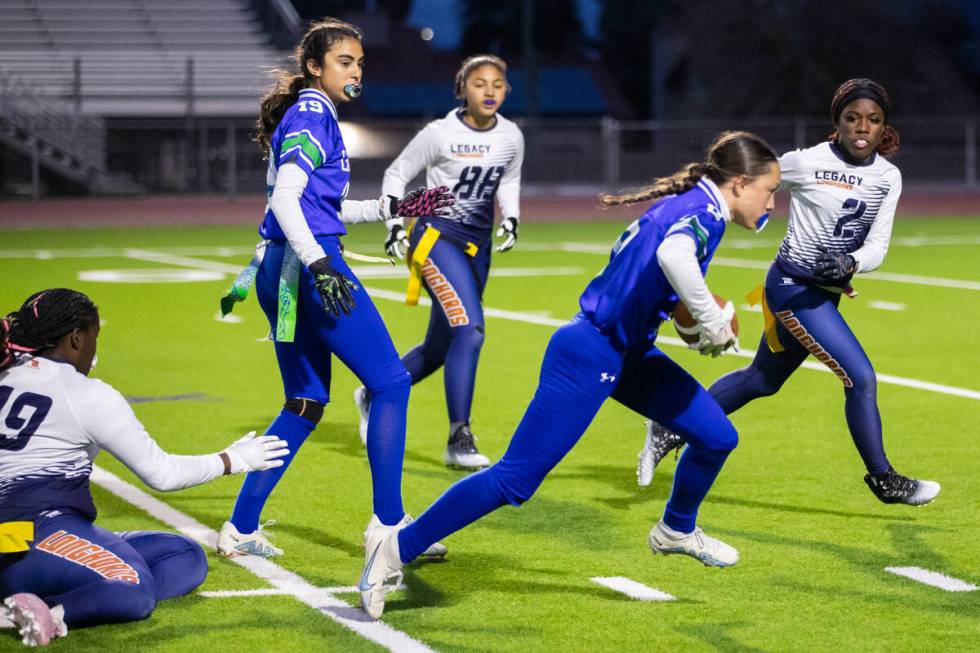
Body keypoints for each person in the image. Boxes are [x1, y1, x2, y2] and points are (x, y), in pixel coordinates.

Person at [358, 131, 782, 620]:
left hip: (628, 352)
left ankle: (675, 529)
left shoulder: (697, 205)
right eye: (768, 190)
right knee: (514, 481)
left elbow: (658, 273)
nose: (772, 202)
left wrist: (693, 318)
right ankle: (394, 549)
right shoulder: (705, 211)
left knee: (716, 436)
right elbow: (672, 257)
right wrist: (709, 317)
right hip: (591, 352)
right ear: (738, 184)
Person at [636, 79, 940, 506]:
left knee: (761, 380)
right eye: (851, 118)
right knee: (860, 377)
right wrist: (694, 201)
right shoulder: (806, 162)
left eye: (872, 120)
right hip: (792, 289)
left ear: (883, 126)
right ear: (836, 122)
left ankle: (670, 425)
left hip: (823, 294)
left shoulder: (888, 176)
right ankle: (883, 478)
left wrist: (851, 263)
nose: (861, 127)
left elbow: (878, 246)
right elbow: (748, 184)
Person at [216, 18, 455, 559]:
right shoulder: (312, 112)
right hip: (304, 268)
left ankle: (241, 527)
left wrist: (394, 207)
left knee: (304, 402)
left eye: (360, 63)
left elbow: (320, 205)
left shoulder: (315, 113)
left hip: (280, 267)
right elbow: (287, 204)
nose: (355, 71)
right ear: (314, 67)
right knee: (391, 383)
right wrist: (321, 263)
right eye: (345, 62)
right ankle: (390, 526)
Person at [0, 289, 289, 647]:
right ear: (76, 338)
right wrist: (234, 459)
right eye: (93, 339)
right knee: (135, 588)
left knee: (185, 556)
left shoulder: (8, 376)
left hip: (28, 538)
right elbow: (161, 474)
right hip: (33, 538)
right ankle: (52, 612)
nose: (93, 351)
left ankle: (73, 582)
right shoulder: (85, 393)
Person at [353, 54, 525, 470]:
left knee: (440, 346)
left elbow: (510, 178)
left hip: (476, 246)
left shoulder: (512, 136)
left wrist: (513, 215)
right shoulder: (440, 133)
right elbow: (396, 174)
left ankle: (373, 393)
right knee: (471, 332)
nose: (489, 91)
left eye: (498, 84)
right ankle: (458, 437)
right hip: (435, 237)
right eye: (480, 83)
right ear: (462, 88)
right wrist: (395, 224)